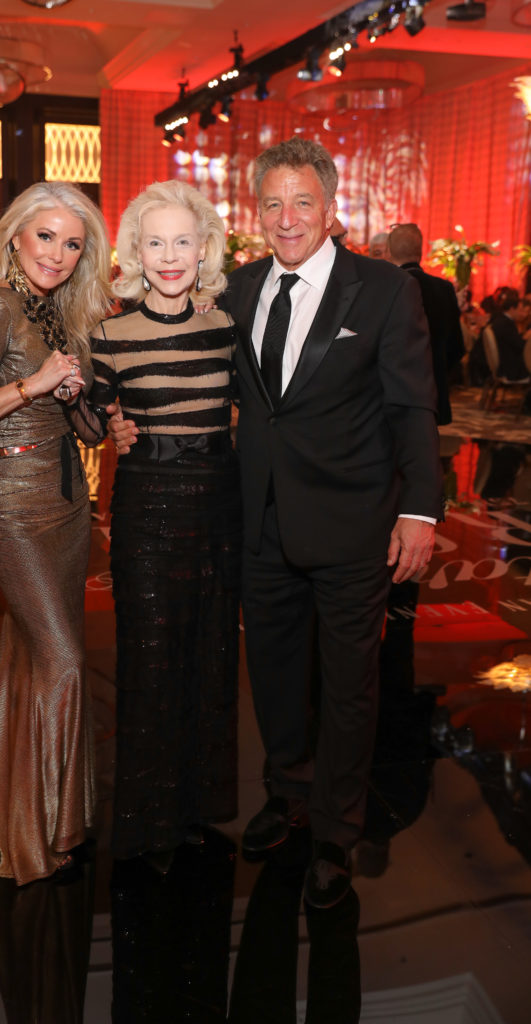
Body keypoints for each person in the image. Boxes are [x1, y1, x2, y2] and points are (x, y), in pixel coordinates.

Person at [110, 139, 442, 907]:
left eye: (301, 202)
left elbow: (411, 406)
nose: (286, 218)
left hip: (356, 523)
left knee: (351, 686)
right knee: (274, 672)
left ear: (330, 208)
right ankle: (287, 793)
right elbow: (167, 345)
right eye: (271, 203)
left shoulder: (384, 290)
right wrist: (120, 414)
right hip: (255, 520)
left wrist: (419, 509)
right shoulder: (237, 288)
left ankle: (335, 829)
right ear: (254, 214)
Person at [0, 181, 111, 885]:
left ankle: (37, 810)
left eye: (72, 244)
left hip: (67, 503)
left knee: (33, 657)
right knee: (65, 662)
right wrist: (36, 386)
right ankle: (44, 826)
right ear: (14, 237)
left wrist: (85, 405)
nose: (58, 255)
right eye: (46, 237)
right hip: (10, 506)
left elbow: (84, 423)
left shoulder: (59, 313)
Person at [89, 180, 241, 870]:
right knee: (148, 655)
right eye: (156, 242)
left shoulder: (225, 328)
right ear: (135, 252)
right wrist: (101, 416)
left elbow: (260, 412)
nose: (170, 255)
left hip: (217, 503)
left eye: (184, 240)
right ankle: (146, 814)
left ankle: (199, 801)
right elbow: (87, 417)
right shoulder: (108, 333)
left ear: (204, 247)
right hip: (146, 507)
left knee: (209, 652)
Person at [387, 222, 464, 424]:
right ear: (421, 252)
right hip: (434, 391)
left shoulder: (386, 288)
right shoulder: (444, 288)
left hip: (392, 396)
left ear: (389, 252)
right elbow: (457, 346)